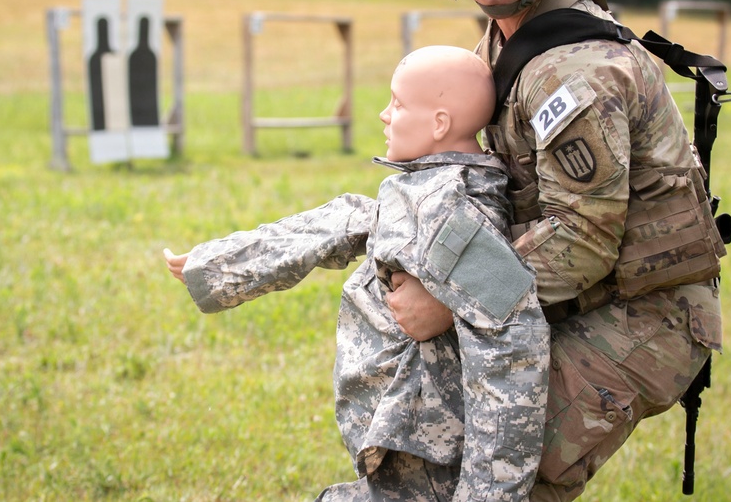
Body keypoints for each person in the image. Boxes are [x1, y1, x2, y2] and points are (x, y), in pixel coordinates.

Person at [383, 0, 727, 501]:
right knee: (435, 443)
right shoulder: (507, 33)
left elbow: (583, 241)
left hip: (642, 312)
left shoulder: (576, 72)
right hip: (558, 295)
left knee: (505, 465)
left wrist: (447, 297)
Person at [164, 45, 549, 501]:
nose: (384, 115)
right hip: (406, 441)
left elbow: (510, 346)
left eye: (398, 104)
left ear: (439, 123)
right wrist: (215, 265)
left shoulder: (450, 208)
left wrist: (488, 497)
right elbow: (344, 222)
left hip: (421, 448)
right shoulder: (428, 188)